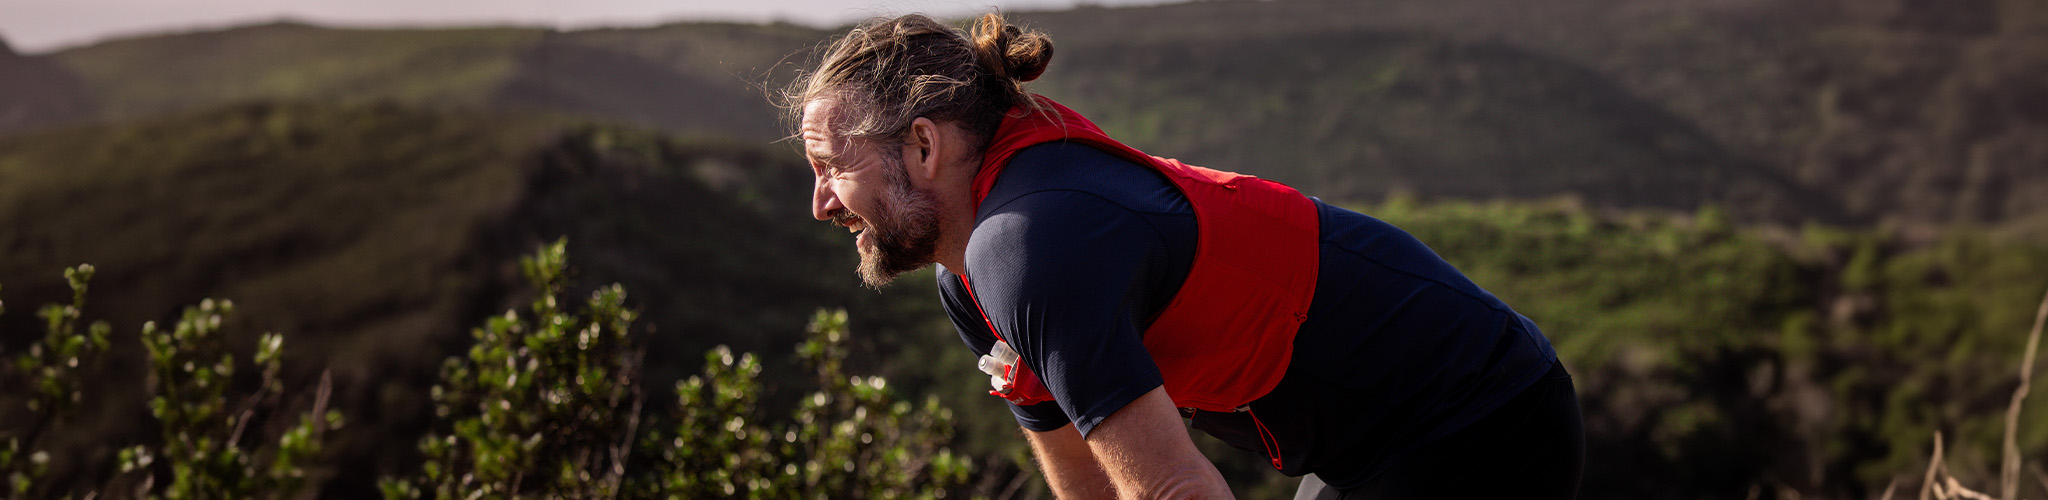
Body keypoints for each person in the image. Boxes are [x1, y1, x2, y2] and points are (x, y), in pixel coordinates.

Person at [786, 12, 1583, 500]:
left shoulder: (1029, 244)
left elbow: (1174, 491)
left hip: (1479, 412)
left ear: (924, 145)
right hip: (1380, 442)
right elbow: (1089, 478)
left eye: (831, 165)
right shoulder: (969, 277)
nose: (820, 203)